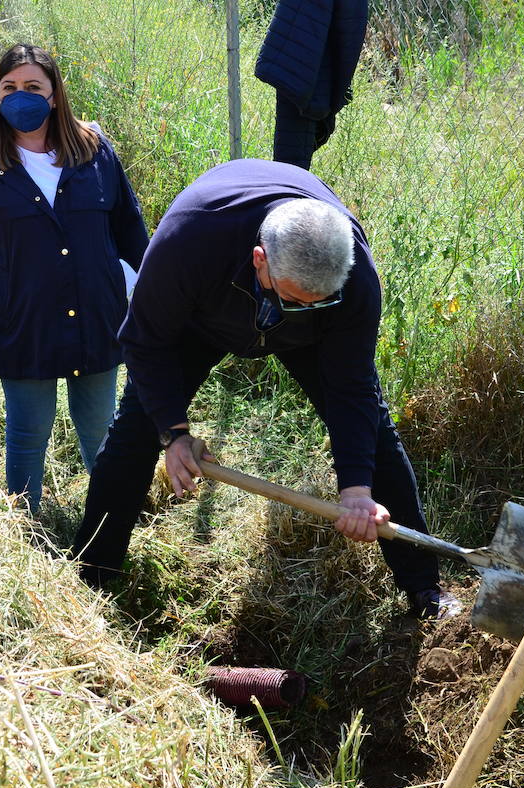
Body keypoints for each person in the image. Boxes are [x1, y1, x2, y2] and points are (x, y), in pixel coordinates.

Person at [71, 158, 460, 619]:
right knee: (135, 433)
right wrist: (173, 434)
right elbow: (144, 341)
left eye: (318, 301)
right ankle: (92, 576)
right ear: (261, 260)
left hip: (313, 337)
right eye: (293, 299)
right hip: (201, 318)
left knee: (375, 434)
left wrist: (357, 489)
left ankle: (425, 589)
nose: (302, 308)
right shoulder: (190, 239)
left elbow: (351, 387)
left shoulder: (354, 280)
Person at [0, 44, 148, 512]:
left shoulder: (94, 151)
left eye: (33, 87)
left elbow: (130, 228)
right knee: (28, 431)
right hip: (20, 318)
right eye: (9, 87)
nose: (20, 96)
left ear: (54, 96)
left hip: (95, 313)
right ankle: (26, 528)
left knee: (101, 428)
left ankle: (111, 519)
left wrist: (157, 298)